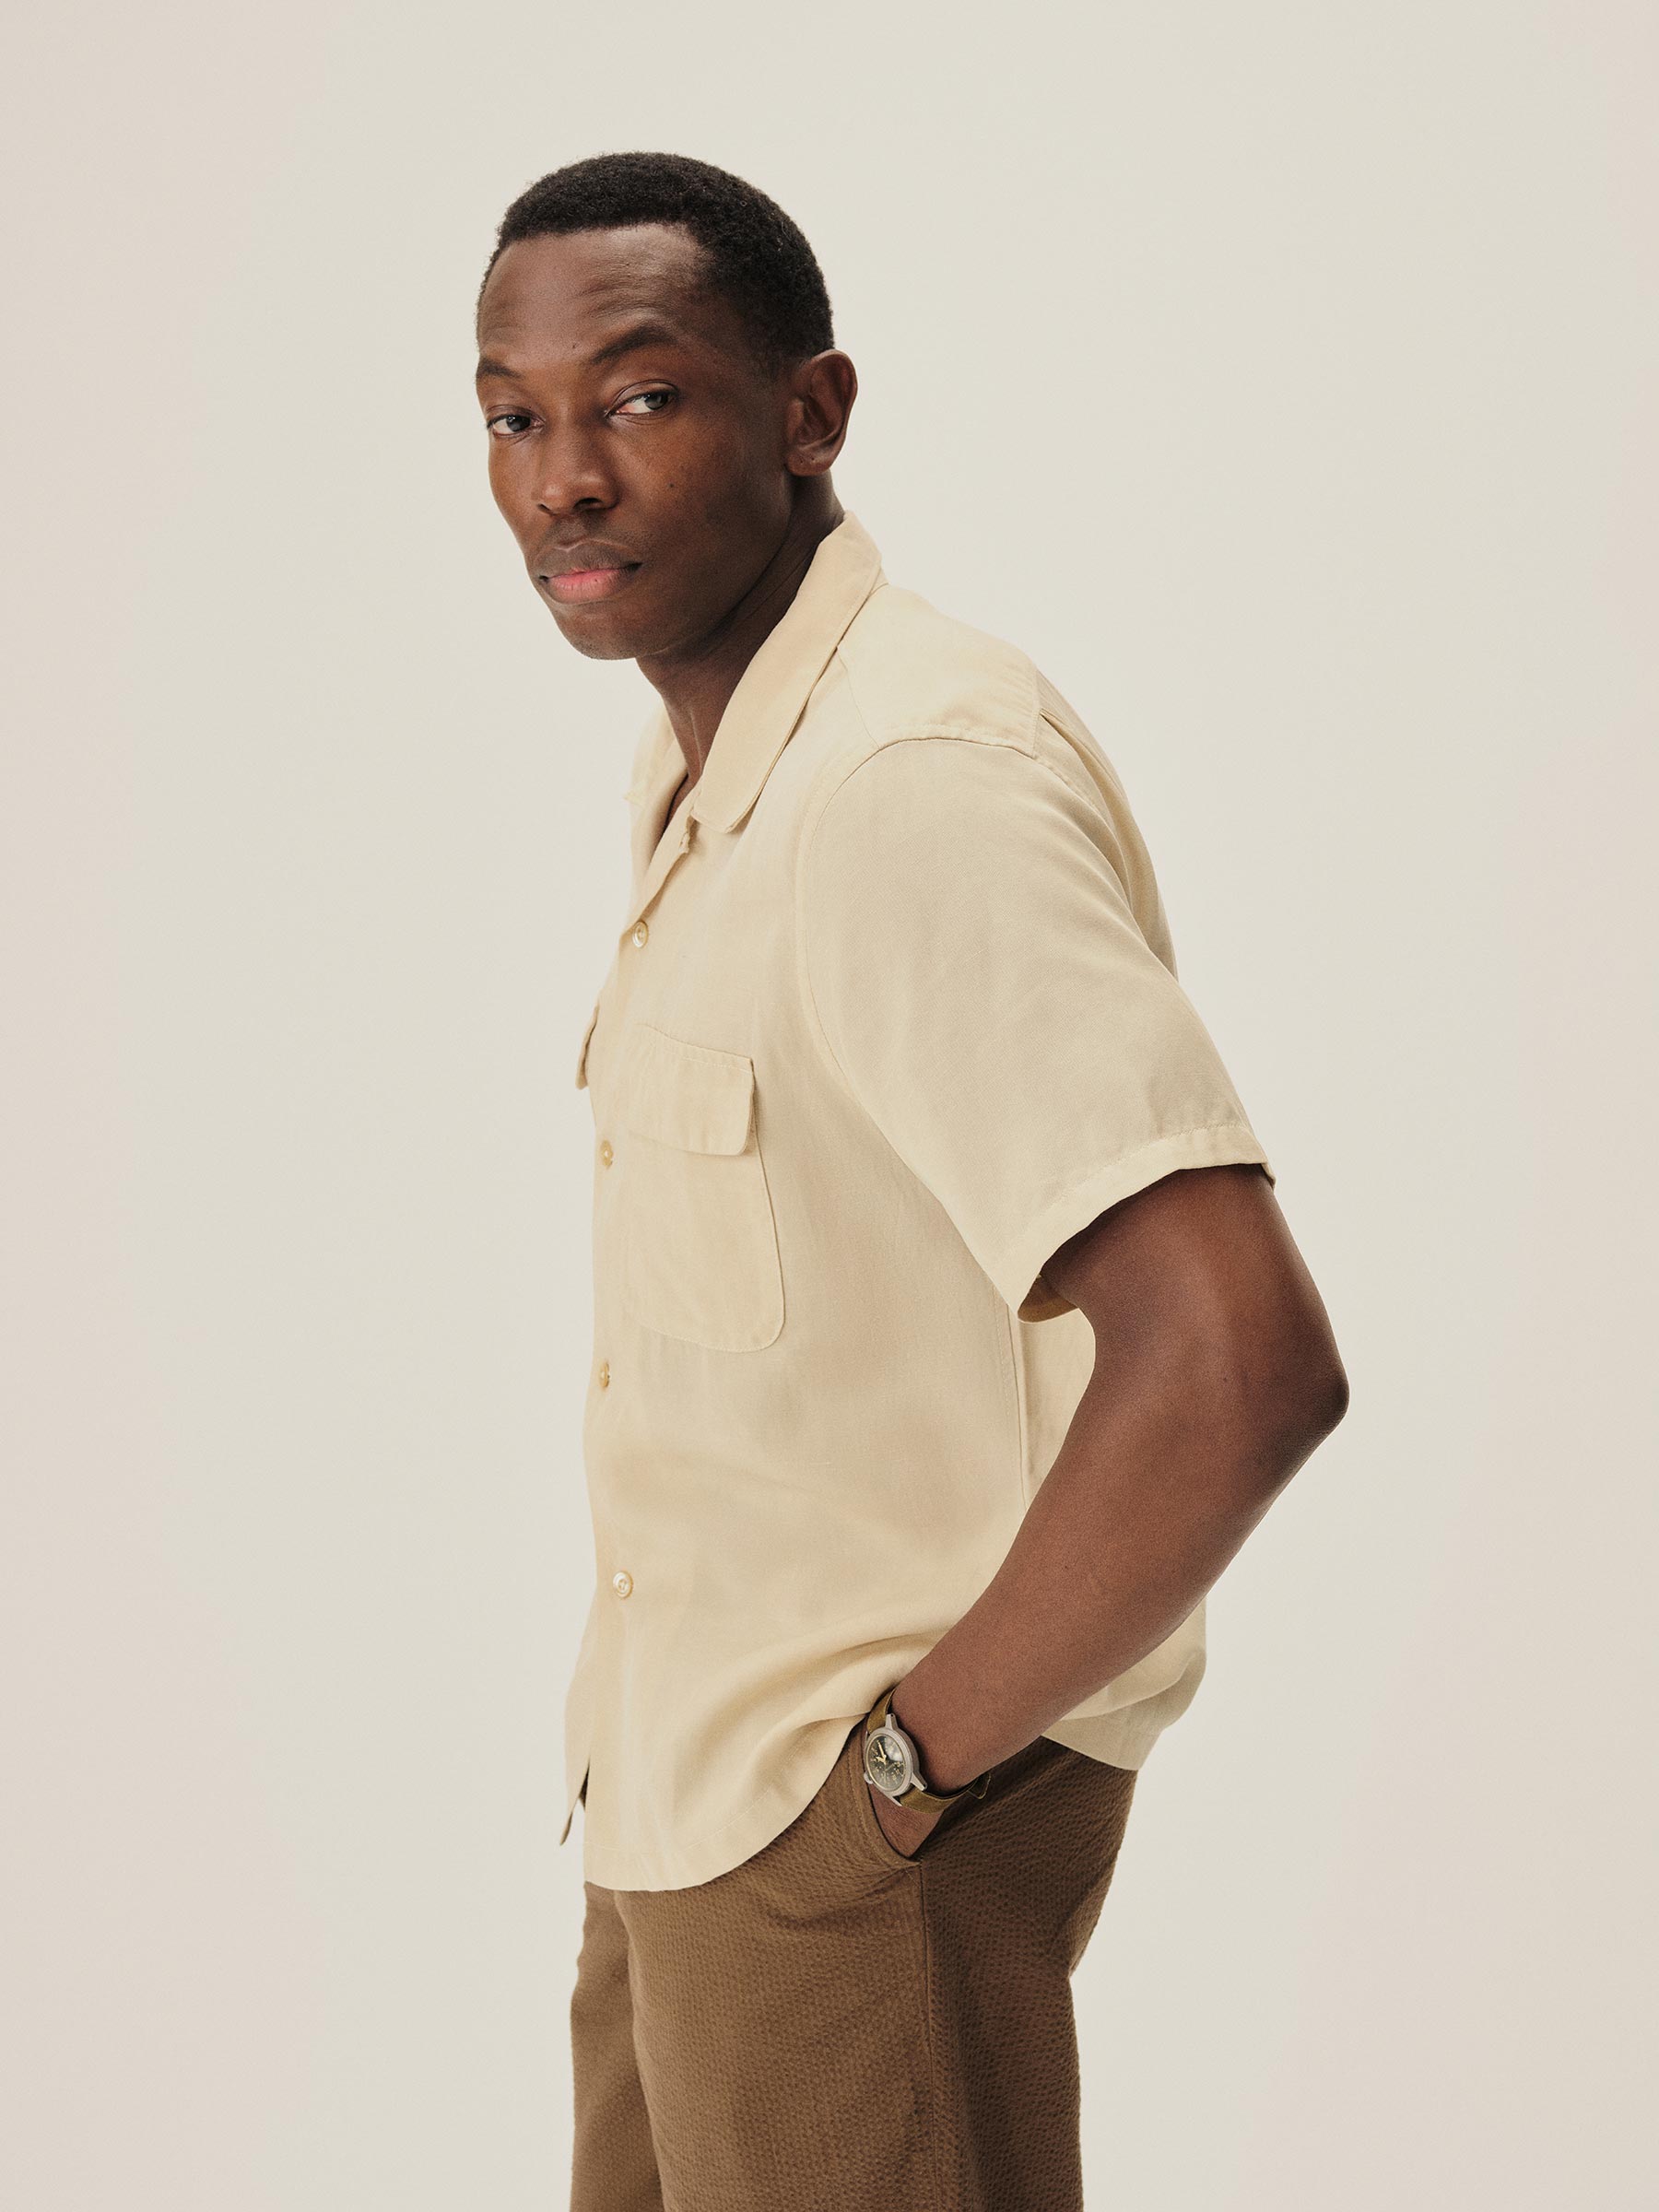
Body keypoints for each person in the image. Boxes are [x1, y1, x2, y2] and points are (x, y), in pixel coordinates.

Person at [474, 149, 1348, 2212]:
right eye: (513, 415)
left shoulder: (907, 783)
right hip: (682, 1808)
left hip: (844, 1844)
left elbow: (1236, 1360)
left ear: (812, 413)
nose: (564, 478)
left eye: (641, 396)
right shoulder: (714, 774)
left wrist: (895, 1784)